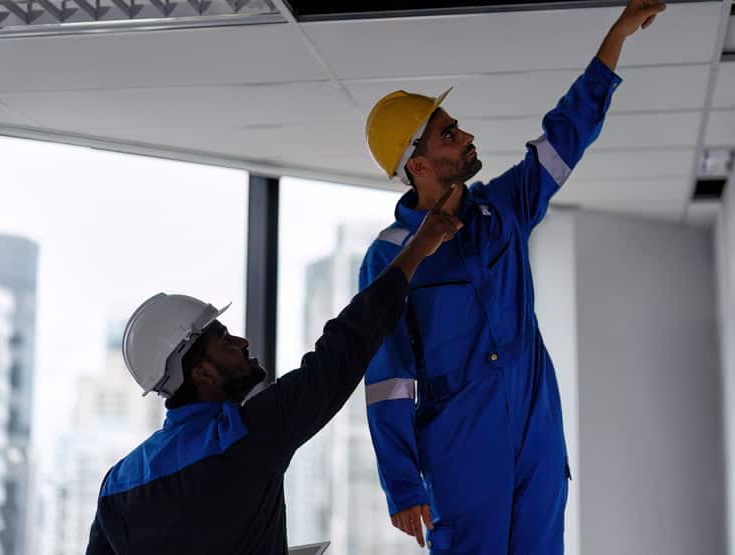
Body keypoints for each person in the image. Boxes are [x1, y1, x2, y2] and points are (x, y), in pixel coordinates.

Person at [360, 0, 667, 552]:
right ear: (418, 164)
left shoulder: (504, 207)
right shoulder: (388, 258)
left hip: (538, 439)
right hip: (460, 452)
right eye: (448, 134)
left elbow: (566, 134)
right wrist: (401, 483)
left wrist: (616, 37)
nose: (465, 135)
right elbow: (388, 378)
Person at [85, 185, 464, 555]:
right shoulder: (246, 436)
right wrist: (417, 249)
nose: (243, 343)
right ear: (202, 374)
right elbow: (345, 348)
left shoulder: (118, 483)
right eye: (226, 341)